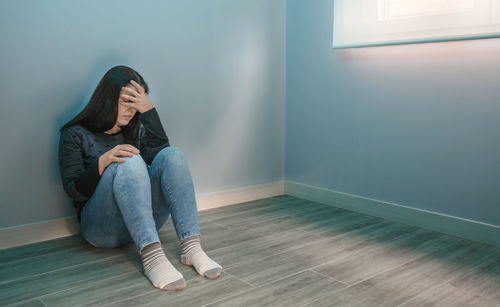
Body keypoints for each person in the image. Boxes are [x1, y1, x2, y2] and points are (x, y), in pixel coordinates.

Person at [58, 65, 222, 291]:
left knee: (173, 155)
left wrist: (149, 112)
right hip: (101, 230)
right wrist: (103, 162)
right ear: (107, 98)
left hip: (144, 224)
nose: (132, 109)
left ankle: (191, 248)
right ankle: (152, 257)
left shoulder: (135, 128)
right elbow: (73, 191)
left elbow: (161, 158)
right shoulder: (75, 133)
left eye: (137, 102)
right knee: (130, 159)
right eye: (127, 101)